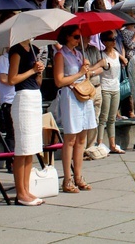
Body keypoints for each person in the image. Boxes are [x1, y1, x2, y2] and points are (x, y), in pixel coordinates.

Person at [53, 25, 95, 193]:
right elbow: (59, 81)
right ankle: (67, 178)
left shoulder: (79, 54)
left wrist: (87, 70)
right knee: (70, 138)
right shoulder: (60, 55)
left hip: (83, 94)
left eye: (80, 37)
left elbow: (86, 76)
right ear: (67, 37)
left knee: (82, 138)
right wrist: (79, 73)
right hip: (70, 95)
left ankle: (78, 176)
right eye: (76, 37)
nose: (79, 40)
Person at [7, 39, 46, 206]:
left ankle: (26, 189)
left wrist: (39, 71)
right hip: (23, 98)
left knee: (31, 147)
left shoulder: (32, 48)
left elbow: (38, 80)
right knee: (22, 148)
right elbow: (12, 79)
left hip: (34, 95)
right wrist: (31, 70)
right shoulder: (16, 50)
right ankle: (20, 192)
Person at [97, 31, 126, 154]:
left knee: (112, 118)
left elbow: (123, 59)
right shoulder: (102, 55)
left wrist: (124, 58)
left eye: (114, 39)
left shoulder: (116, 53)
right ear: (104, 42)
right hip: (105, 87)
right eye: (110, 39)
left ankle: (112, 144)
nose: (114, 41)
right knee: (103, 117)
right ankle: (99, 143)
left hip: (116, 87)